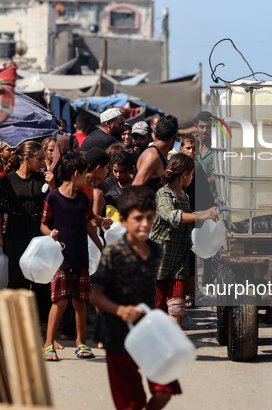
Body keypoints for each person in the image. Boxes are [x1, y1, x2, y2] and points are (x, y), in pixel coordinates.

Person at [90, 185, 181, 410]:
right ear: (123, 220)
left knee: (164, 391)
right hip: (117, 335)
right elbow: (96, 295)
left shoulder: (156, 251)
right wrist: (121, 310)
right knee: (132, 403)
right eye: (138, 218)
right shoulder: (114, 253)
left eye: (150, 218)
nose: (144, 224)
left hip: (148, 330)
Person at [41, 152, 104, 361]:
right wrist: (50, 233)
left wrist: (102, 247)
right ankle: (48, 344)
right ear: (76, 173)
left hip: (80, 258)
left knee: (80, 302)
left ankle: (81, 342)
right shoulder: (53, 197)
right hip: (60, 259)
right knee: (59, 302)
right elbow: (43, 224)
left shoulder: (82, 199)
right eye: (84, 173)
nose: (86, 177)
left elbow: (89, 225)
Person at [151, 154, 219, 326]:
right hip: (160, 259)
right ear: (184, 175)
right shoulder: (163, 194)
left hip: (180, 257)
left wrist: (207, 215)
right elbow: (172, 216)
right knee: (158, 304)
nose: (192, 179)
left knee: (177, 305)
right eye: (191, 175)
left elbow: (189, 219)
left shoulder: (185, 196)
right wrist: (202, 214)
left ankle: (172, 339)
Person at [0, 141, 50, 323]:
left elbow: (54, 203)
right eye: (40, 158)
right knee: (18, 278)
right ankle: (15, 322)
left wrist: (53, 184)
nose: (42, 162)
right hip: (16, 235)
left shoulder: (43, 180)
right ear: (27, 158)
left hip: (38, 235)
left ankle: (41, 324)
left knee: (41, 280)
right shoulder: (8, 180)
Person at [179, 135, 215, 307]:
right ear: (181, 149)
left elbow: (205, 195)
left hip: (194, 218)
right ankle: (189, 293)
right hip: (181, 217)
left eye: (194, 149)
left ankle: (193, 293)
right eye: (188, 148)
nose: (192, 152)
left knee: (191, 256)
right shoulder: (176, 167)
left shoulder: (197, 168)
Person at [132, 115, 178, 192]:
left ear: (156, 132)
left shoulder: (160, 155)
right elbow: (134, 190)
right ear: (174, 137)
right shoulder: (152, 155)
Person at [195, 111, 218, 199]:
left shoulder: (219, 148)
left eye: (208, 127)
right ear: (196, 127)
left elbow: (222, 173)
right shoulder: (189, 145)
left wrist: (203, 184)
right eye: (201, 127)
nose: (205, 131)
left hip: (212, 199)